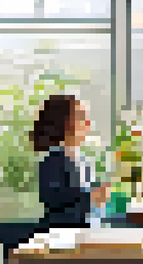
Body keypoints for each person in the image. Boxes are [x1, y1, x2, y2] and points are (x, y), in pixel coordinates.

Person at [31, 94, 109, 229]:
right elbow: (55, 204)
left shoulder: (84, 160)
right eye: (81, 116)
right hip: (62, 236)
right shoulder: (52, 161)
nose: (88, 123)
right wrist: (90, 197)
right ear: (63, 122)